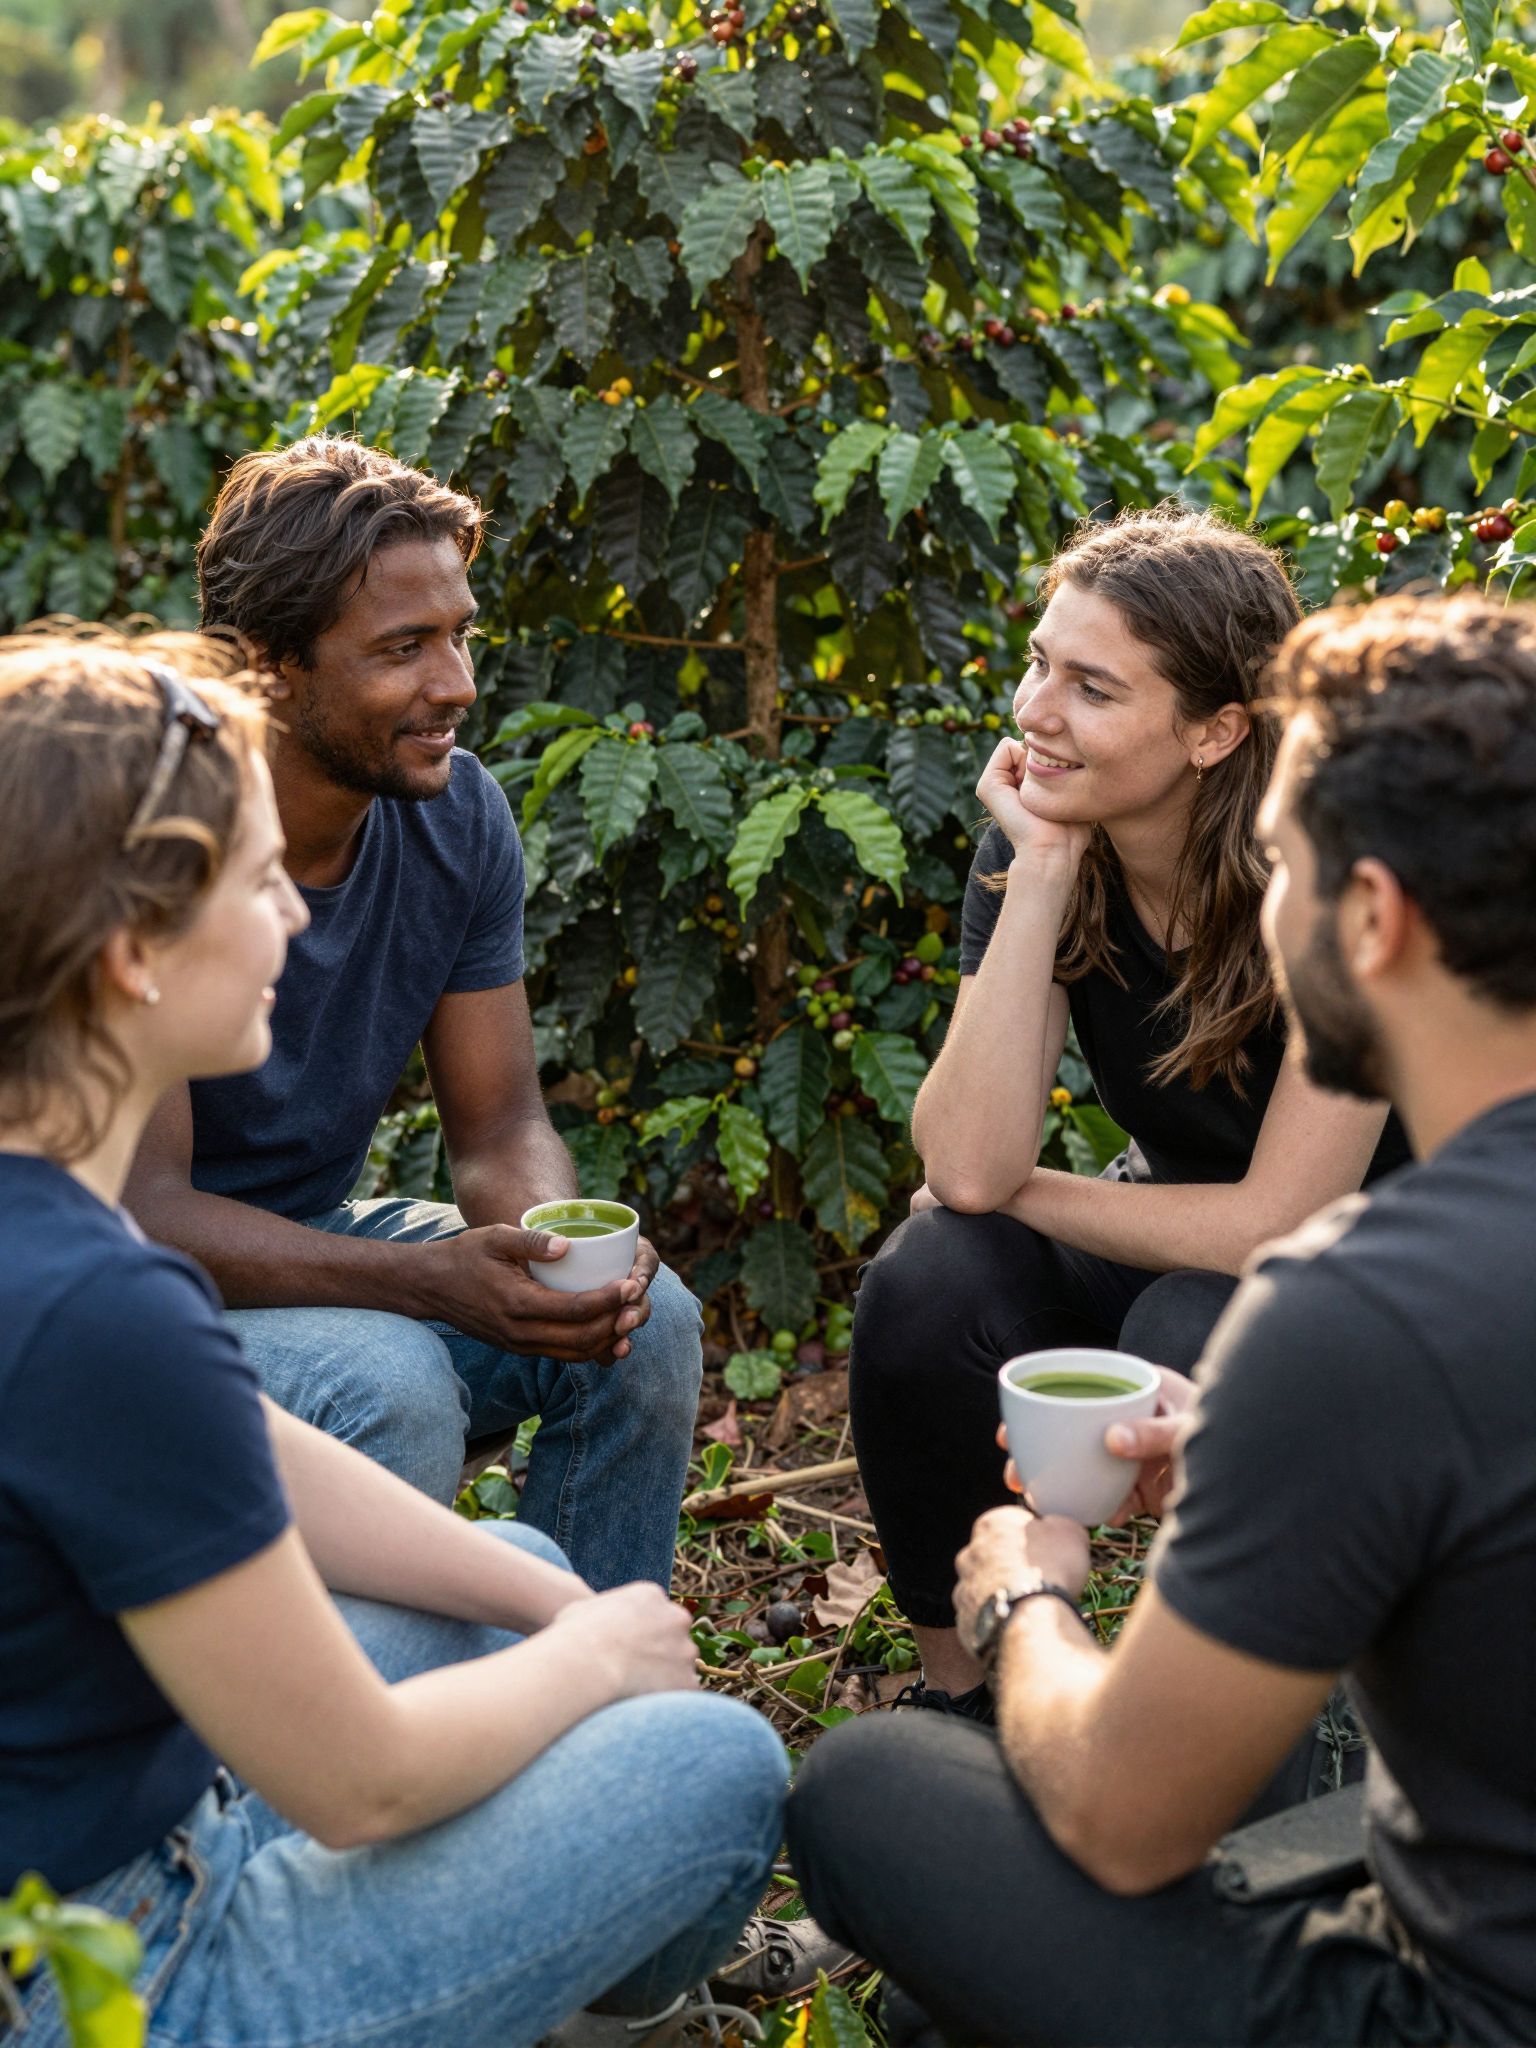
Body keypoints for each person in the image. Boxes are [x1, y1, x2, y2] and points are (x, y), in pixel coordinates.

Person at [0, 630, 788, 2048]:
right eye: (255, 883)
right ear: (128, 954)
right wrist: (601, 1659)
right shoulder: (96, 1308)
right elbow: (360, 1783)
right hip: (120, 1977)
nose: (292, 919)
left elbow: (250, 1447)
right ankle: (607, 2013)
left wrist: (559, 1604)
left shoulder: (45, 1227)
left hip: (100, 1855)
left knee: (511, 1570)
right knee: (713, 1759)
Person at [787, 592, 1536, 2047]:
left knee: (866, 1792)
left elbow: (1125, 1819)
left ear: (1373, 919)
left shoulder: (1356, 1317)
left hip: (1449, 2002)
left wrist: (1024, 1599)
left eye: (1288, 863)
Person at [851, 504, 1406, 1709]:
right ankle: (966, 1693)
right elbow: (963, 1161)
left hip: (1385, 1269)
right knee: (928, 1280)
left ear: (1215, 730)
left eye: (1092, 688)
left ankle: (1202, 1716)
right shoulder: (1044, 846)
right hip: (1177, 1222)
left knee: (1187, 1326)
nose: (1035, 712)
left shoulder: (1331, 874)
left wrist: (1028, 1193)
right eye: (1040, 663)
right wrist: (1041, 872)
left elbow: (1283, 1223)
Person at [124, 437, 702, 1593]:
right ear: (268, 665)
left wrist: (555, 1254)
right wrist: (422, 1280)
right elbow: (147, 1214)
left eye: (459, 634)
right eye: (404, 648)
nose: (457, 683)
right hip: (127, 1304)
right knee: (387, 1380)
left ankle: (598, 1668)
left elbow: (499, 1125)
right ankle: (360, 1700)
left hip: (312, 1242)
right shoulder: (154, 831)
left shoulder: (457, 817)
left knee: (651, 1325)